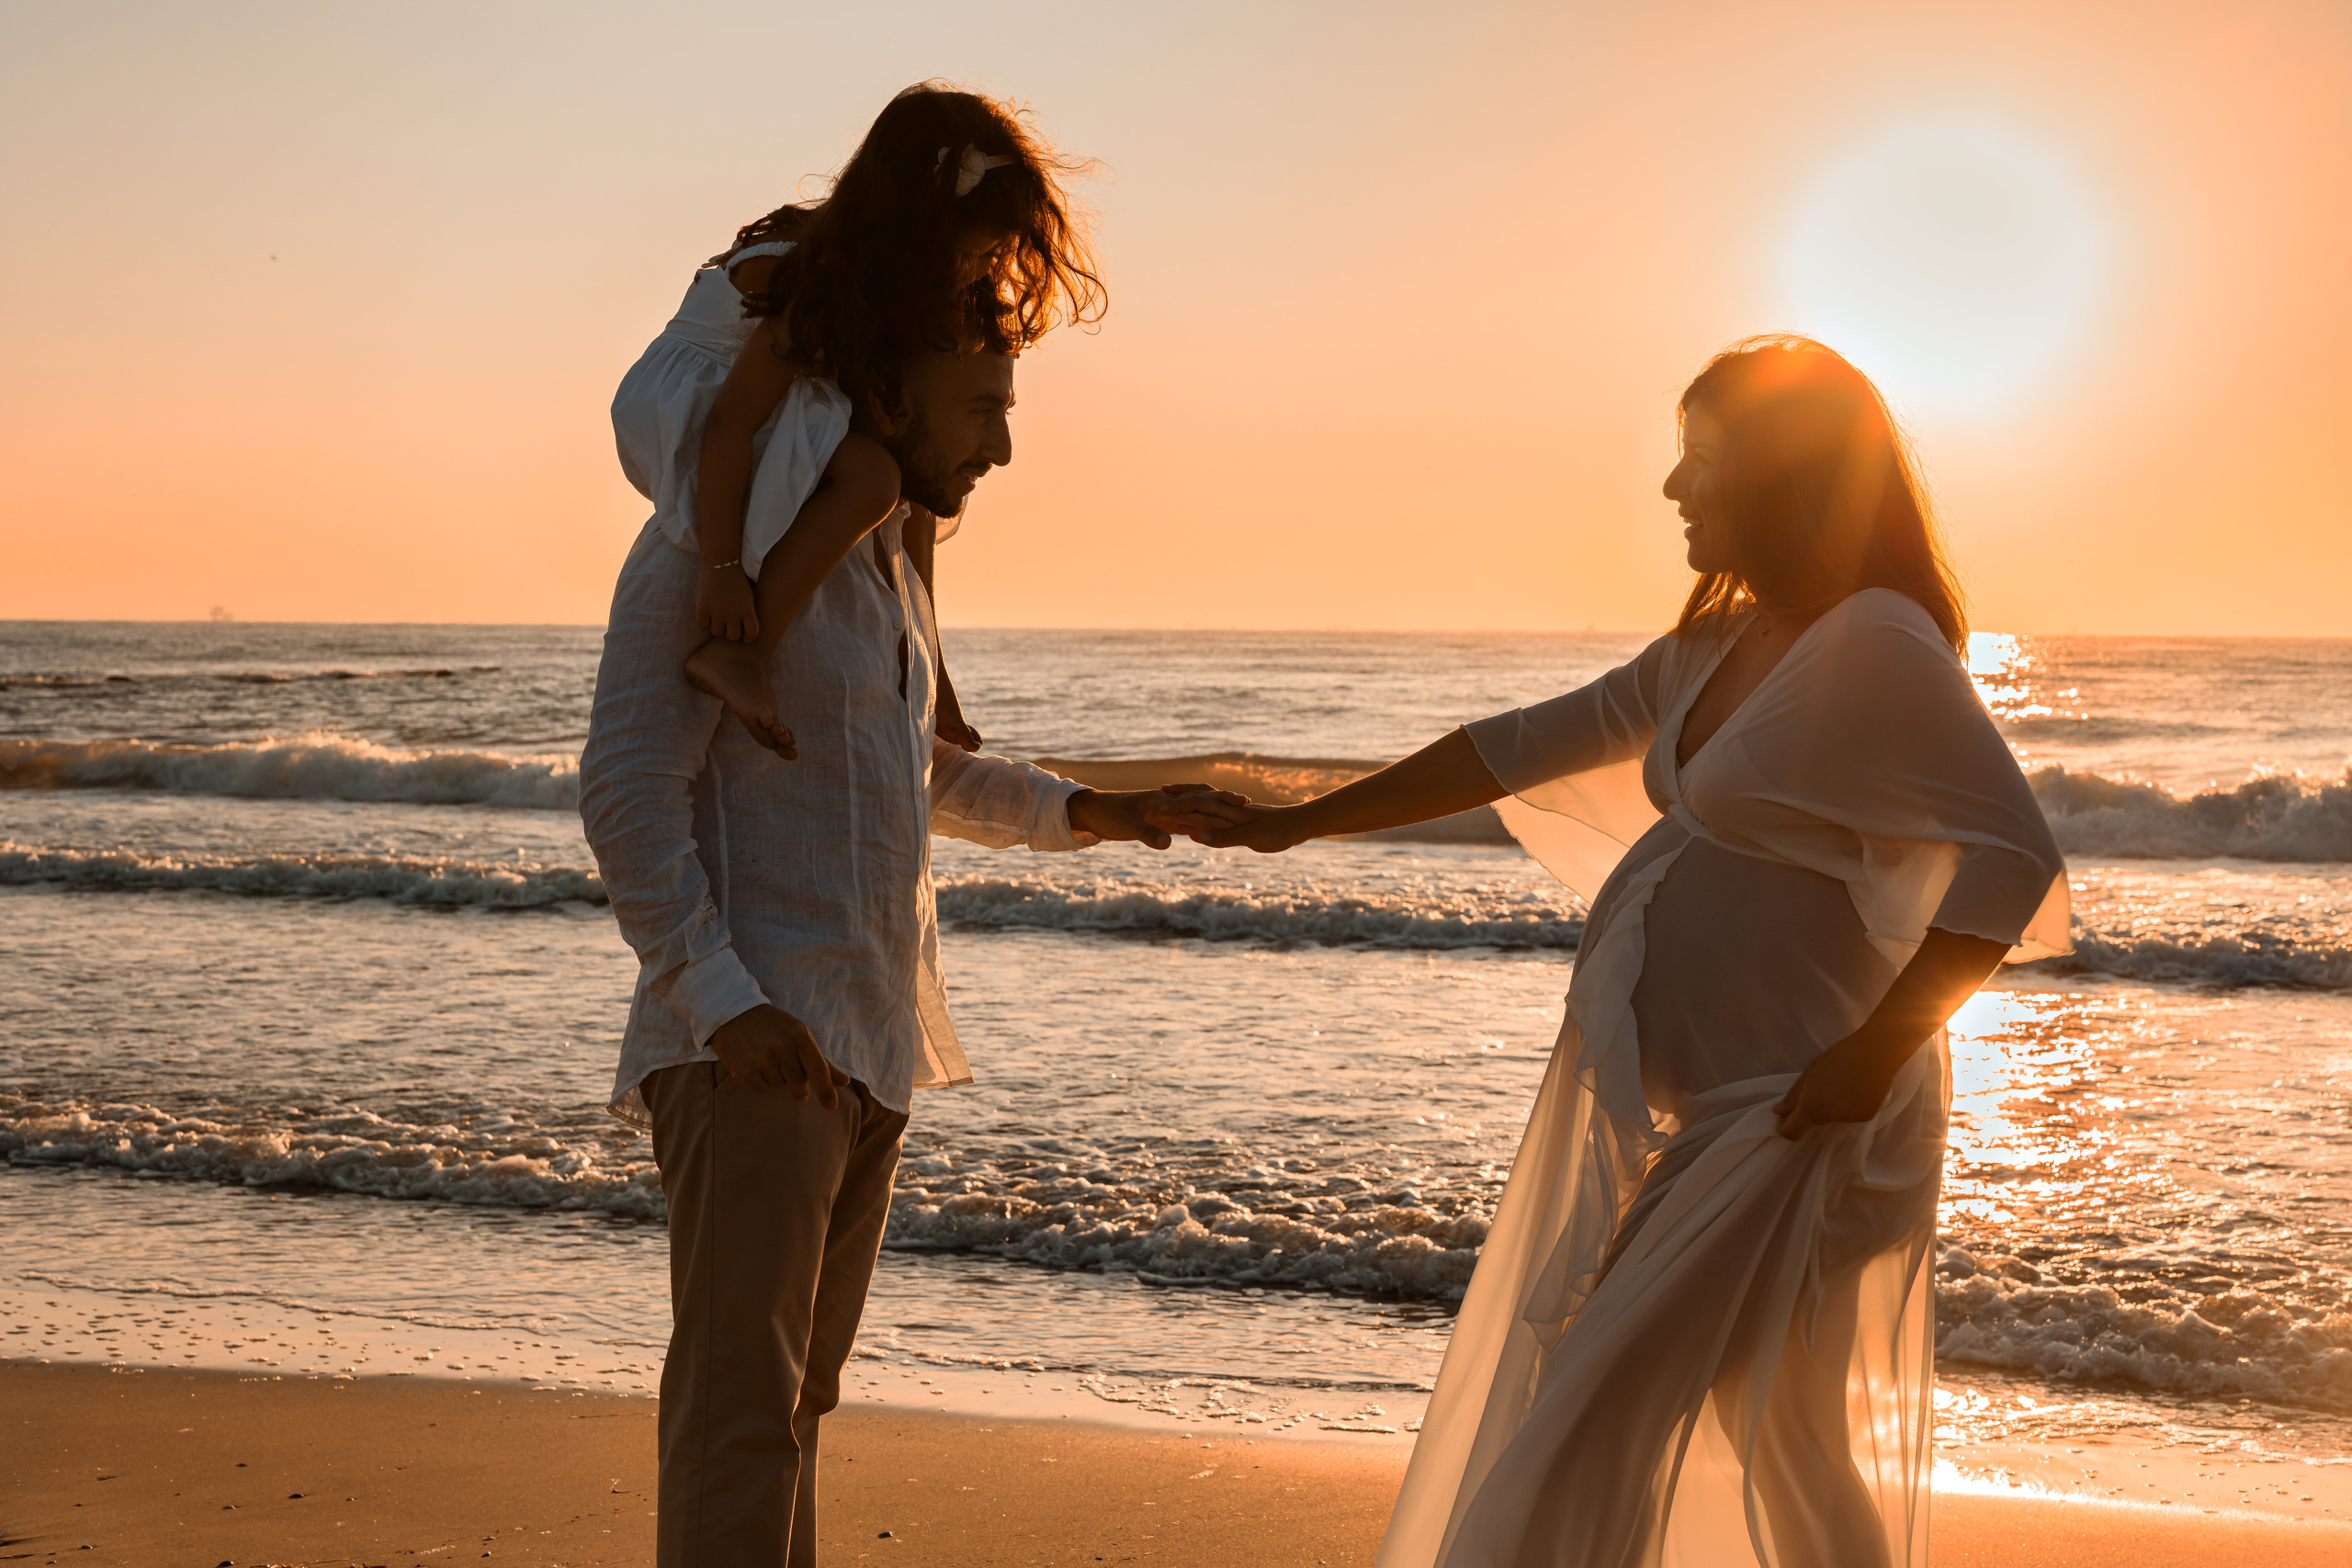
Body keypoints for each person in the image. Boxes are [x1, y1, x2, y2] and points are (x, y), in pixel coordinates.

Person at [1201, 337, 2070, 1567]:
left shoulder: (1875, 638)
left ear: (1779, 471)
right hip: (1738, 1113)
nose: (1673, 488)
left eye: (1701, 459)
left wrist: (1872, 1054)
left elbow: (2012, 851)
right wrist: (1302, 818)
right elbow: (1510, 745)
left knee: (1583, 1422)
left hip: (1802, 1120)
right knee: (1792, 1447)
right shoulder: (1717, 648)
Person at [581, 243, 1236, 1568]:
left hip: (868, 1047)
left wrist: (1096, 811)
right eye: (985, 407)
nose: (1001, 444)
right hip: (757, 1045)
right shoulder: (710, 557)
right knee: (737, 1417)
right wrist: (723, 1000)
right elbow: (626, 790)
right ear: (892, 390)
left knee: (794, 1413)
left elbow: (906, 773)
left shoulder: (875, 574)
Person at [609, 82, 1100, 758]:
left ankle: (750, 652)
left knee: (891, 467)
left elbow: (919, 495)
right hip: (691, 399)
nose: (980, 273)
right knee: (870, 476)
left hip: (759, 400)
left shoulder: (888, 289)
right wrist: (721, 566)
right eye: (974, 254)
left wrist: (932, 665)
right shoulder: (817, 280)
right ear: (913, 226)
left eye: (992, 257)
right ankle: (737, 656)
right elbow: (728, 423)